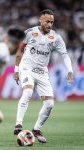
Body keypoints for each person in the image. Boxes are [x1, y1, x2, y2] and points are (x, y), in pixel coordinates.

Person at [13, 9, 73, 143]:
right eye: (47, 21)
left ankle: (36, 129)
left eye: (52, 22)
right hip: (27, 68)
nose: (50, 24)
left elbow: (64, 55)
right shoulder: (30, 33)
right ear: (40, 20)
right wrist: (16, 70)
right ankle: (18, 124)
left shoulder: (56, 37)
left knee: (50, 104)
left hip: (42, 72)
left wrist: (70, 70)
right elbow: (19, 51)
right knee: (28, 92)